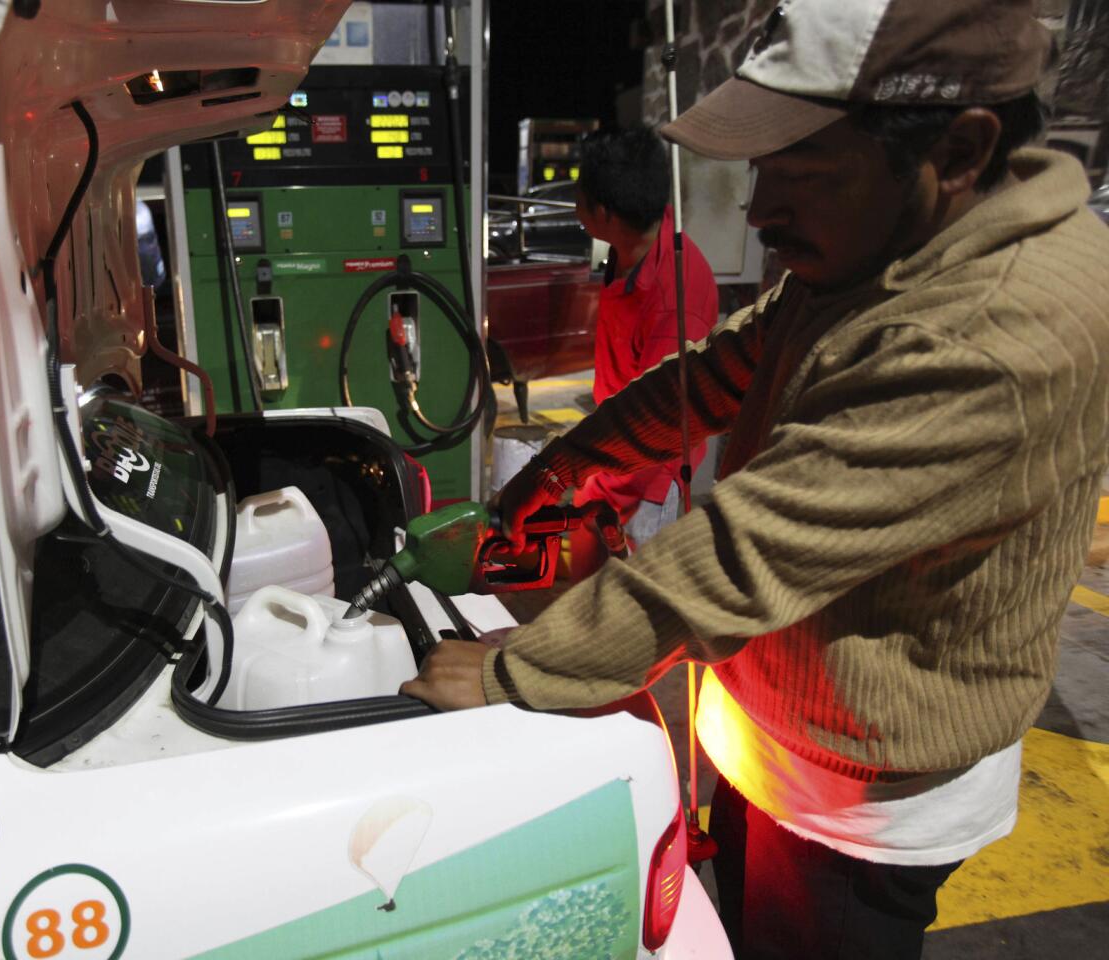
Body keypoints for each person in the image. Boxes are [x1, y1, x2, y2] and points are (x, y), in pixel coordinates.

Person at [401, 1, 1109, 957]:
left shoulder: (993, 334)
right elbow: (726, 364)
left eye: (799, 174)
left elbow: (746, 554)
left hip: (857, 802)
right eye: (758, 171)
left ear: (963, 148)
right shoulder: (891, 245)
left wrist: (514, 670)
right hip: (780, 734)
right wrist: (566, 468)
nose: (763, 214)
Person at [568, 127, 719, 579]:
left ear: (604, 212)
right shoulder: (628, 248)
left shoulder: (677, 299)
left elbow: (657, 426)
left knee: (628, 608)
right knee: (583, 586)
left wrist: (598, 486)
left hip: (647, 478)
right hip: (612, 451)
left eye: (580, 198)